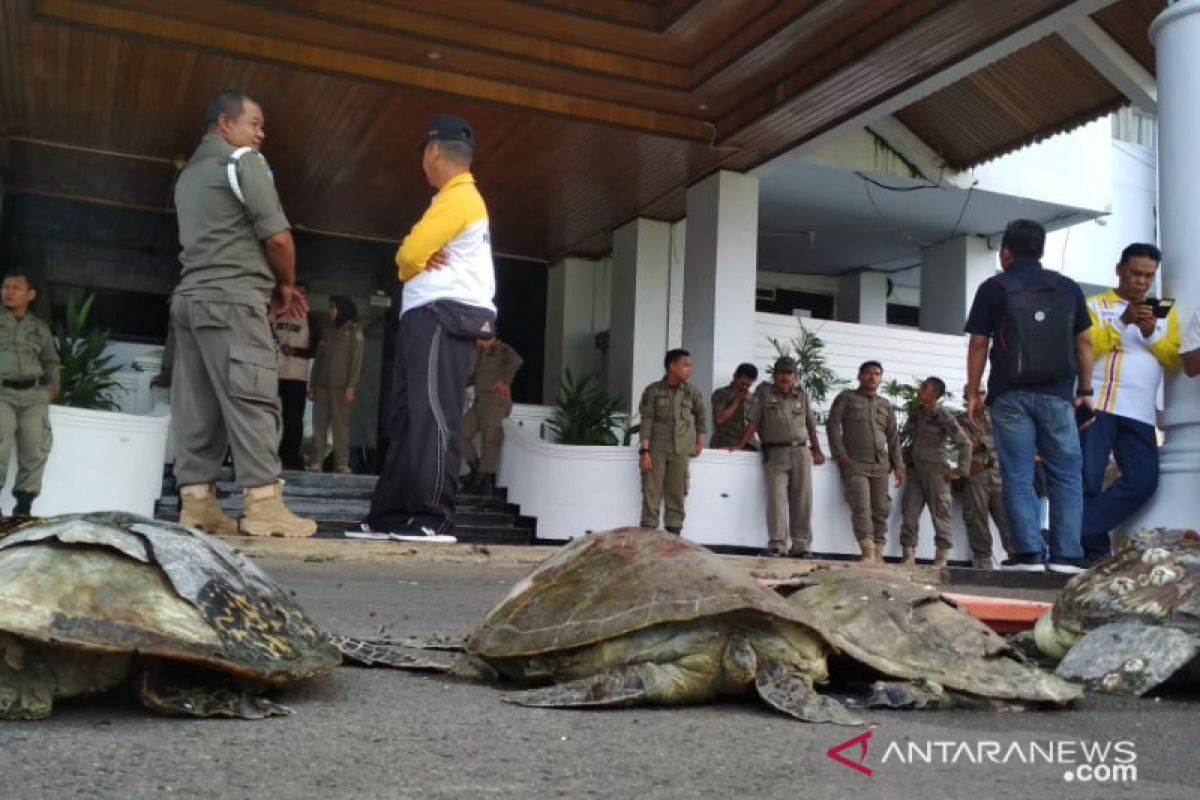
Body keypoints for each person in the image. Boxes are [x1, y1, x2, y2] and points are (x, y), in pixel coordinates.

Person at [170, 89, 316, 538]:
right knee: (254, 398)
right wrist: (286, 285)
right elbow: (277, 238)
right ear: (224, 124)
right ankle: (264, 504)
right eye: (254, 123)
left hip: (189, 300)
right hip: (233, 298)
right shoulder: (241, 163)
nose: (260, 134)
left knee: (200, 405)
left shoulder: (188, 176)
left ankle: (197, 505)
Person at [363, 114, 497, 539]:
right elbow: (417, 254)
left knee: (434, 416)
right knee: (406, 418)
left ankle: (433, 517)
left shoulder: (460, 197)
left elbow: (408, 254)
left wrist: (414, 259)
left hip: (442, 313)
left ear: (434, 150)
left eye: (424, 150)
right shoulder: (449, 200)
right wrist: (419, 257)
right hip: (426, 314)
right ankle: (391, 515)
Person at [964, 219, 1093, 574]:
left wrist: (974, 392)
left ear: (1005, 253)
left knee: (1018, 474)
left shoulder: (993, 288)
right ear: (1041, 251)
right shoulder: (1067, 288)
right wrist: (1085, 391)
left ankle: (1029, 555)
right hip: (1058, 396)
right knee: (1066, 474)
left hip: (1010, 396)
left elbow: (978, 342)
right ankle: (1067, 556)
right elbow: (1084, 343)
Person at [1081, 244, 1180, 562]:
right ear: (1119, 270)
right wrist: (1122, 322)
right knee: (1087, 478)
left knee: (1143, 480)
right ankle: (1091, 552)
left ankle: (1071, 532)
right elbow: (1086, 349)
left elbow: (1173, 358)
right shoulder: (1094, 305)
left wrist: (1151, 333)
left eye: (1148, 276)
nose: (1141, 282)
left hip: (1138, 411)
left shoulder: (1163, 309)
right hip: (1098, 404)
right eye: (1136, 273)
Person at [732, 356, 825, 557]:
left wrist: (816, 450)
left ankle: (801, 546)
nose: (785, 377)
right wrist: (740, 446)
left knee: (802, 499)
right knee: (777, 500)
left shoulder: (802, 396)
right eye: (781, 373)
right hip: (775, 452)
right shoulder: (763, 394)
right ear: (774, 375)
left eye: (789, 373)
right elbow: (753, 423)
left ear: (795, 377)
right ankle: (778, 545)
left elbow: (810, 426)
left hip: (801, 451)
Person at [826, 361, 903, 563]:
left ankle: (879, 552)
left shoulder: (885, 404)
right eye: (868, 373)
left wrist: (899, 465)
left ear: (881, 379)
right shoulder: (847, 398)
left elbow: (893, 437)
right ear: (859, 376)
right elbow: (833, 426)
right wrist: (841, 455)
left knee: (881, 509)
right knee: (861, 507)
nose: (872, 377)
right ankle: (867, 552)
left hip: (880, 465)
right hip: (855, 463)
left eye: (877, 374)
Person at [0, 270, 60, 517]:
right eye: (5, 287)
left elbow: (51, 361)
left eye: (16, 288)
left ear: (30, 294)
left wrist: (53, 387)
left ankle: (23, 508)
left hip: (33, 396)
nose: (9, 292)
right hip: (1, 393)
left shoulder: (39, 328)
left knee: (35, 449)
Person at [898, 377, 971, 567]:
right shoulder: (916, 414)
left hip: (936, 473)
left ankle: (941, 560)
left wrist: (960, 470)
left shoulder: (943, 416)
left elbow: (965, 443)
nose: (920, 389)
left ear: (934, 394)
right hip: (915, 472)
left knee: (941, 516)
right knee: (909, 514)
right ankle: (908, 557)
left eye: (925, 387)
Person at [638, 349, 706, 534]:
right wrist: (644, 452)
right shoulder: (653, 391)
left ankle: (674, 537)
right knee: (651, 492)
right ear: (672, 366)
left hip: (681, 450)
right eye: (685, 365)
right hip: (656, 450)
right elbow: (646, 421)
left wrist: (700, 440)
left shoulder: (691, 392)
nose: (689, 369)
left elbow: (701, 416)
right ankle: (648, 535)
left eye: (690, 366)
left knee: (677, 493)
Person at [956, 385, 1013, 569]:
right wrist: (985, 442)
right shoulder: (960, 421)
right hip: (976, 474)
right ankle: (983, 560)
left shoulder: (999, 417)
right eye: (974, 393)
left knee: (1008, 518)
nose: (979, 397)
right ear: (966, 397)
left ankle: (1017, 557)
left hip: (1000, 474)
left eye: (981, 393)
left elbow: (1007, 441)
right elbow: (967, 444)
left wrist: (983, 441)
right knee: (976, 519)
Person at [460, 336, 523, 495]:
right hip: (479, 400)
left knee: (490, 440)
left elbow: (517, 361)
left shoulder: (502, 349)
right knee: (460, 432)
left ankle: (484, 481)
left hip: (495, 401)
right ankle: (476, 471)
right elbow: (473, 376)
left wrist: (504, 381)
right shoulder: (478, 352)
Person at [308, 296, 363, 475]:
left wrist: (351, 386)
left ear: (342, 309)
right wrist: (312, 384)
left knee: (340, 427)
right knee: (319, 425)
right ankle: (316, 461)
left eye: (333, 307)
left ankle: (341, 463)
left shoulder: (354, 332)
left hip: (342, 388)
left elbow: (356, 362)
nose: (330, 311)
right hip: (322, 386)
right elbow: (318, 360)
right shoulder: (327, 331)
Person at [272, 282, 321, 471]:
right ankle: (272, 456)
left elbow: (317, 349)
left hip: (297, 377)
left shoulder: (310, 320)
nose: (298, 297)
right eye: (296, 293)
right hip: (275, 375)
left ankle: (291, 458)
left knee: (294, 419)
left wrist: (296, 351)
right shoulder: (277, 314)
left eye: (302, 294)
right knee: (273, 417)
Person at [710, 363, 759, 450]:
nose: (745, 387)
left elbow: (755, 423)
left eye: (748, 385)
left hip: (749, 445)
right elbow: (719, 419)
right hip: (726, 443)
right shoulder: (722, 394)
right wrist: (737, 402)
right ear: (735, 377)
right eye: (743, 383)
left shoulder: (751, 398)